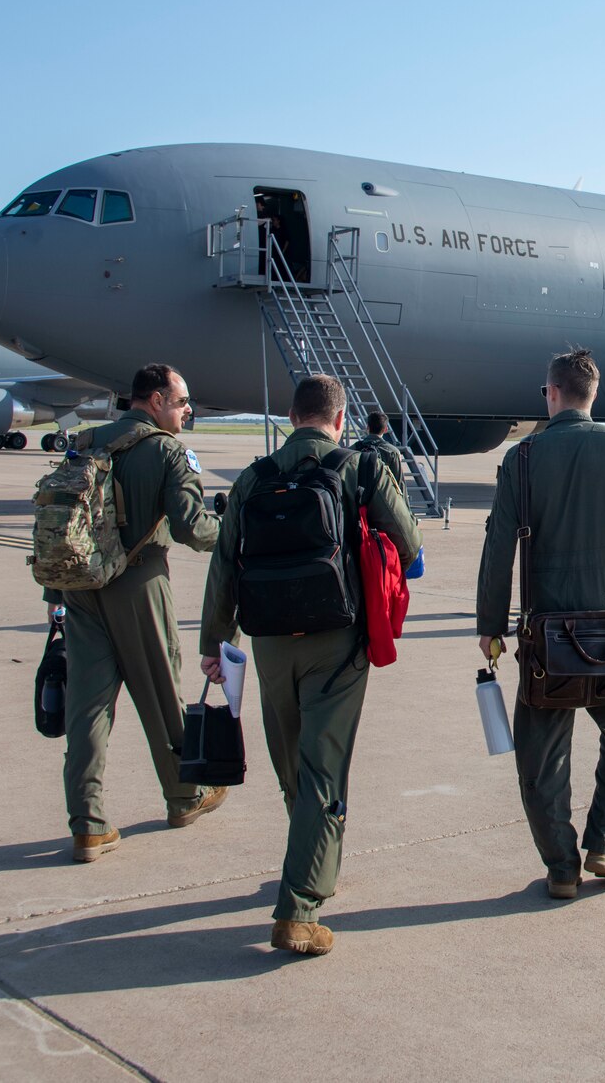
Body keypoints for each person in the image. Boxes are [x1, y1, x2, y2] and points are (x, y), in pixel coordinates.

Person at [201, 373, 422, 956]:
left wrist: (213, 644)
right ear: (339, 419)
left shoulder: (254, 476)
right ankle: (298, 907)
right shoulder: (359, 467)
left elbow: (224, 565)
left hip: (270, 642)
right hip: (337, 639)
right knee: (324, 768)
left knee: (293, 766)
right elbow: (410, 542)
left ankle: (313, 860)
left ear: (293, 417)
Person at [476, 348, 605, 900]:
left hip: (546, 635)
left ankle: (561, 867)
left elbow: (498, 549)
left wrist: (491, 625)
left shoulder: (523, 457)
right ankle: (604, 841)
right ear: (593, 395)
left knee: (541, 755)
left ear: (551, 393)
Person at [54, 363, 225, 863]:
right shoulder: (166, 450)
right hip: (138, 582)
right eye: (180, 401)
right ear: (153, 400)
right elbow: (193, 529)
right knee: (161, 696)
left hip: (81, 588)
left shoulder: (86, 443)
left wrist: (54, 597)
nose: (187, 409)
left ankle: (87, 824)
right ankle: (184, 795)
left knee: (86, 707)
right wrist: (234, 532)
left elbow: (60, 521)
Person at [353, 410, 407, 486]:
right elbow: (398, 483)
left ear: (367, 427)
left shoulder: (353, 449)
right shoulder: (392, 452)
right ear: (385, 429)